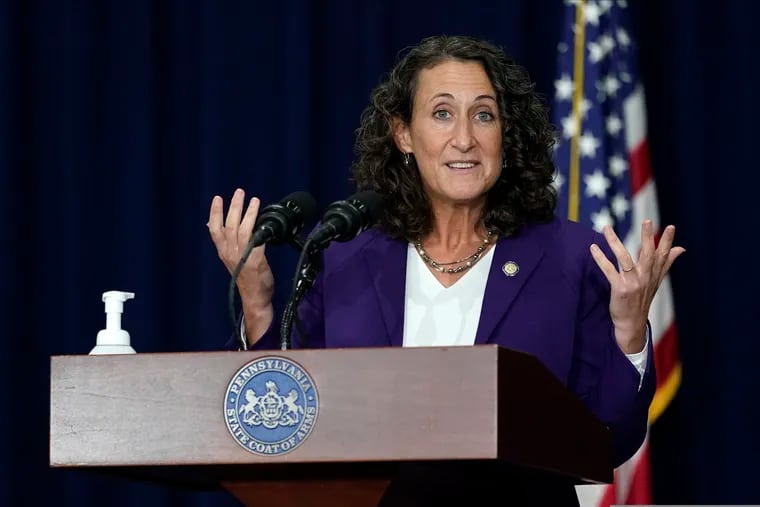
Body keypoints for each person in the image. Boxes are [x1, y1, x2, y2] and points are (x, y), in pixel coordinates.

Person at [207, 34, 684, 506]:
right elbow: (280, 416)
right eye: (441, 113)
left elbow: (610, 441)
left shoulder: (570, 255)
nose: (464, 138)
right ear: (403, 135)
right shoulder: (347, 257)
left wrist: (628, 334)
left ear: (506, 134)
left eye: (483, 115)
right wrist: (257, 300)